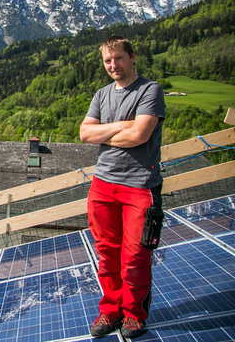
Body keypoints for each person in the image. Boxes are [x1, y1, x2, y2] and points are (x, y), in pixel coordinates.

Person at [79, 35, 165, 339]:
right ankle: (111, 310)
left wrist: (104, 133)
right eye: (107, 60)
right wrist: (122, 126)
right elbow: (84, 133)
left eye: (118, 58)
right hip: (102, 185)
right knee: (106, 253)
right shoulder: (102, 95)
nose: (113, 65)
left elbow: (140, 136)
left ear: (132, 57)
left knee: (135, 256)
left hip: (139, 186)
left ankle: (134, 315)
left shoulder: (150, 91)